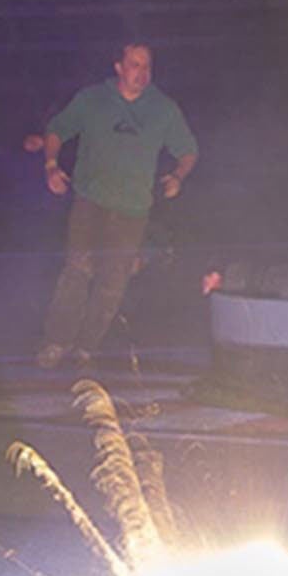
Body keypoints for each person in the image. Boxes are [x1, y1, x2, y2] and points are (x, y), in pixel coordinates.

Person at [36, 41, 198, 368]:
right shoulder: (93, 99)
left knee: (113, 281)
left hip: (132, 210)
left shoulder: (162, 109)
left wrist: (178, 176)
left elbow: (188, 150)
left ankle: (86, 347)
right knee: (77, 271)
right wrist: (51, 166)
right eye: (135, 65)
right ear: (119, 67)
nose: (142, 73)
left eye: (147, 66)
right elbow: (57, 130)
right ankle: (56, 342)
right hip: (90, 202)